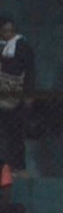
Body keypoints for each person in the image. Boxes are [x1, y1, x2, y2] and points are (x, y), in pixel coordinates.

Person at [0, 17, 35, 175]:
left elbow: (30, 70)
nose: (8, 34)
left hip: (16, 96)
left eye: (10, 31)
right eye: (5, 31)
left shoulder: (22, 46)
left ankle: (19, 167)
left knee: (16, 133)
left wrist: (28, 94)